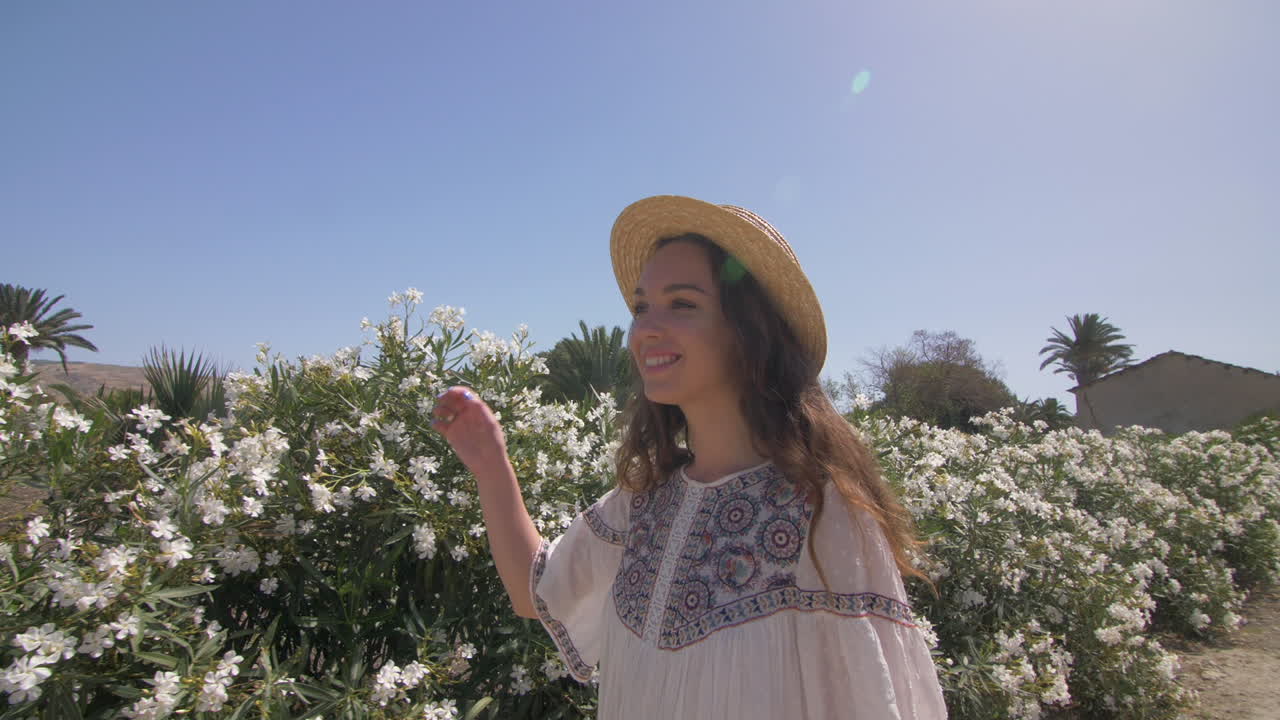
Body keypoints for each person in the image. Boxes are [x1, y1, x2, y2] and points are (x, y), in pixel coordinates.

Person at [431, 195, 947, 719]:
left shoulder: (825, 512)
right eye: (641, 307)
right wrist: (491, 463)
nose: (645, 329)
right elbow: (536, 593)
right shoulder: (640, 503)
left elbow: (876, 701)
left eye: (682, 303)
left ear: (750, 332)